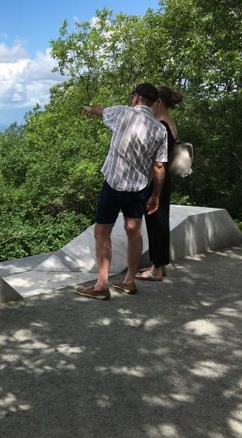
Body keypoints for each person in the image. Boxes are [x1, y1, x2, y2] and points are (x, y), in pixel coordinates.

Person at [76, 83, 168, 300]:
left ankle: (101, 285)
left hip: (113, 183)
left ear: (136, 98)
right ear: (154, 102)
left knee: (102, 233)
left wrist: (88, 108)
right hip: (138, 189)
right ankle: (129, 281)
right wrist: (156, 195)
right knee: (134, 233)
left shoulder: (121, 113)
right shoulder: (159, 128)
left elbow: (100, 111)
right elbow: (159, 167)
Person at [135, 86, 184, 281]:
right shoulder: (170, 122)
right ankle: (159, 265)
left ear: (158, 102)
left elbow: (156, 159)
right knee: (159, 221)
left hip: (156, 178)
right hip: (164, 178)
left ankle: (156, 269)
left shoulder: (161, 124)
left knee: (155, 222)